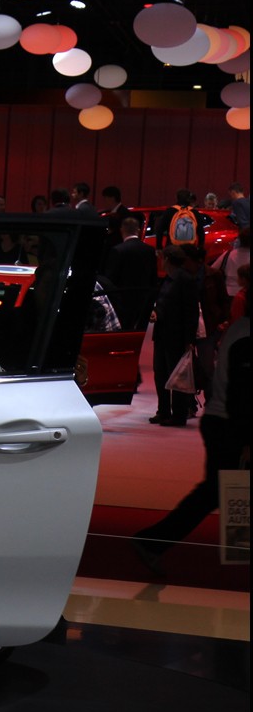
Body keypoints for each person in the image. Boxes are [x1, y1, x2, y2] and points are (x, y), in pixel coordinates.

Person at [132, 315, 249, 574]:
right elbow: (241, 393)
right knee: (214, 491)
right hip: (229, 424)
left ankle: (153, 542)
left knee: (213, 491)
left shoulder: (240, 329)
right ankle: (153, 542)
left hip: (223, 421)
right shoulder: (245, 335)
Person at [149, 245, 200, 427]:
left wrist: (189, 340)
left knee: (176, 375)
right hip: (163, 333)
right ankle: (163, 411)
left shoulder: (185, 280)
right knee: (160, 373)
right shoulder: (168, 279)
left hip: (177, 335)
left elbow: (191, 311)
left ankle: (178, 415)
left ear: (168, 259)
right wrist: (156, 312)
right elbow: (163, 304)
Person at [103, 217, 157, 332]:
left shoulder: (117, 250)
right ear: (138, 230)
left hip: (123, 301)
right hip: (143, 300)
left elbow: (110, 279)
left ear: (122, 230)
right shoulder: (149, 250)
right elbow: (153, 278)